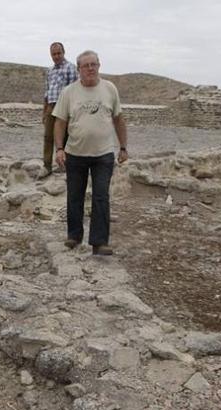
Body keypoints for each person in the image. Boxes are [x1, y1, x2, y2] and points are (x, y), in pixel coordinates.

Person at [52, 50, 128, 256]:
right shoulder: (69, 92)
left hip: (103, 154)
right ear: (78, 69)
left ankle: (99, 242)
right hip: (75, 153)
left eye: (94, 64)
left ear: (99, 66)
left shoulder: (110, 89)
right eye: (86, 65)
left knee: (101, 196)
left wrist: (123, 147)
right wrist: (59, 149)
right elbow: (60, 122)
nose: (90, 68)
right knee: (74, 196)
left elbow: (118, 119)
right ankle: (74, 236)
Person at [42, 42, 78, 177]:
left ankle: (64, 165)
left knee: (64, 137)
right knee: (48, 136)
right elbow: (47, 92)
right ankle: (46, 165)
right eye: (53, 54)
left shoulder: (70, 68)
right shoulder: (50, 71)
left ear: (64, 52)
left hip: (64, 106)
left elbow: (74, 90)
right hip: (51, 106)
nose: (56, 56)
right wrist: (44, 111)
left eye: (58, 53)